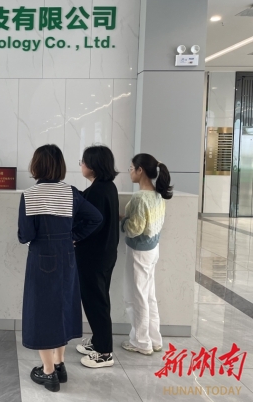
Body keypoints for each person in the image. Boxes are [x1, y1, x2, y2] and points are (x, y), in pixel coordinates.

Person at [18, 144, 103, 393]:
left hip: (41, 257)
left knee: (42, 311)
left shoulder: (30, 195)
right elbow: (95, 218)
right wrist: (73, 236)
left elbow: (25, 235)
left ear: (36, 165)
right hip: (67, 256)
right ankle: (60, 364)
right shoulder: (71, 192)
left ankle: (48, 373)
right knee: (63, 306)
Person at [120, 153, 173, 356]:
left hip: (138, 252)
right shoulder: (158, 195)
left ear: (140, 170)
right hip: (152, 249)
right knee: (149, 295)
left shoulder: (140, 197)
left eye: (131, 168)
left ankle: (141, 342)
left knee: (136, 297)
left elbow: (134, 229)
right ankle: (155, 339)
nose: (130, 172)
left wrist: (123, 221)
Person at [75, 145, 120, 369]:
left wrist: (74, 237)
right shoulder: (107, 187)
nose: (81, 165)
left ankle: (104, 352)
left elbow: (90, 223)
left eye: (83, 162)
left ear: (92, 165)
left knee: (96, 302)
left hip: (93, 256)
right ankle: (98, 341)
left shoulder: (97, 191)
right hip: (105, 253)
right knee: (99, 299)